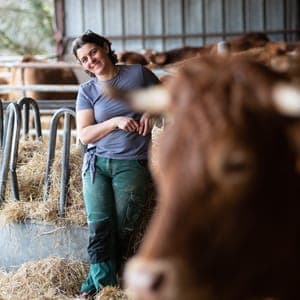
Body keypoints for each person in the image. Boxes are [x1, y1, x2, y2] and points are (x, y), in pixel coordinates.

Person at [72, 30, 160, 297]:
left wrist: (150, 111)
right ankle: (105, 288)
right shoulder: (87, 90)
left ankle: (94, 283)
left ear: (106, 47)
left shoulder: (138, 74)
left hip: (131, 163)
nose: (91, 61)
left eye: (93, 52)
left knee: (122, 227)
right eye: (84, 59)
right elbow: (84, 134)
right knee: (99, 225)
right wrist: (114, 122)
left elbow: (166, 98)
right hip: (96, 165)